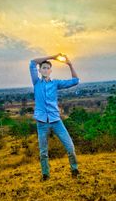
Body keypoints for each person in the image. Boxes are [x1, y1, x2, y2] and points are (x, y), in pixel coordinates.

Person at [29, 53, 80, 181]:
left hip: (56, 120)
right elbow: (32, 62)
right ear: (40, 71)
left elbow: (75, 81)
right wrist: (52, 57)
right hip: (41, 122)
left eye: (48, 68)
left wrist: (70, 64)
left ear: (51, 70)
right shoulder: (36, 83)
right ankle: (45, 175)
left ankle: (74, 170)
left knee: (70, 147)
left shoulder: (55, 83)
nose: (45, 70)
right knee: (43, 152)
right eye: (43, 68)